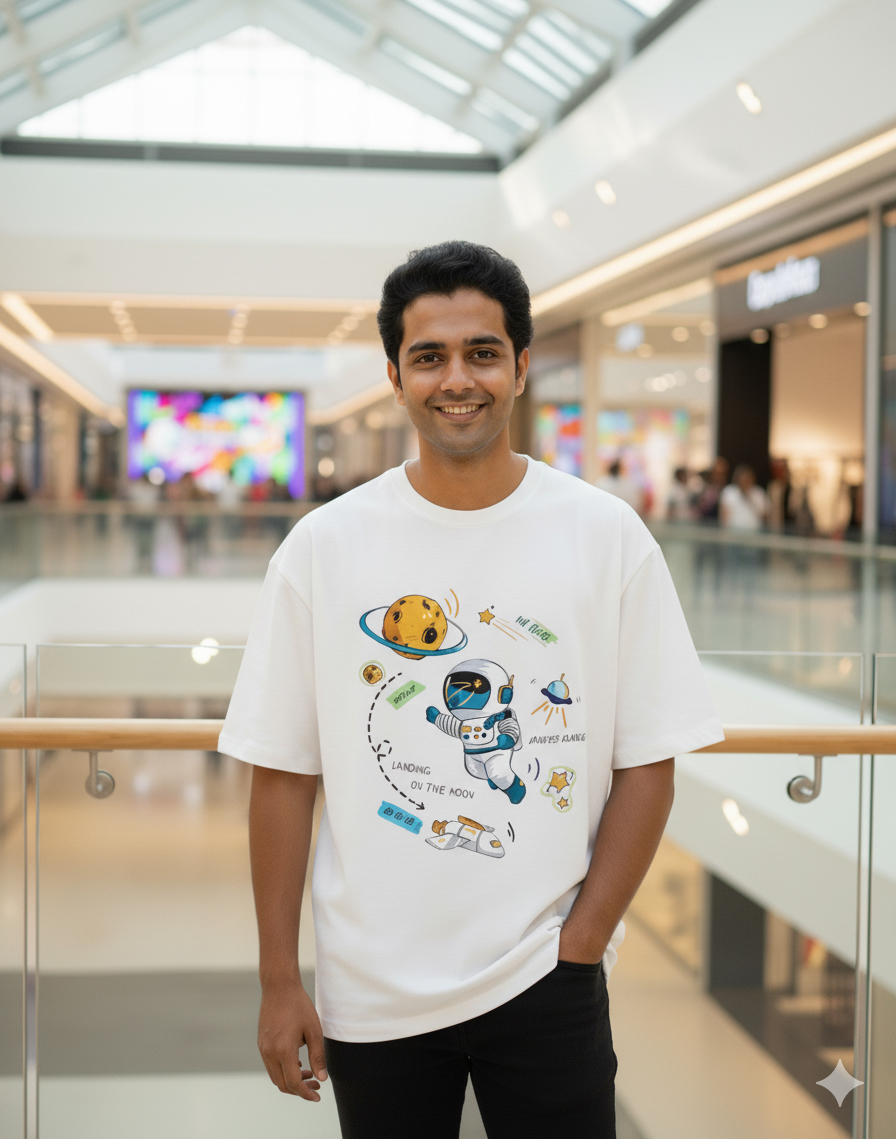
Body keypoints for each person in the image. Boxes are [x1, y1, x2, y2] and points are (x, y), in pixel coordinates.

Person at [217, 241, 723, 1139]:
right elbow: (284, 776)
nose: (459, 379)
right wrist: (277, 977)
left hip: (548, 976)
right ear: (396, 375)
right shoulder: (323, 548)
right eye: (430, 357)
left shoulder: (606, 537)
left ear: (522, 367)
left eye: (483, 353)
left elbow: (650, 761)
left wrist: (582, 944)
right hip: (373, 992)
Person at [719, 464, 768, 531]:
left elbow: (764, 516)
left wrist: (749, 498)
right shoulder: (729, 492)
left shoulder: (759, 493)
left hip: (755, 535)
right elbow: (724, 516)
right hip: (733, 534)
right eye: (742, 478)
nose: (744, 481)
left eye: (747, 478)